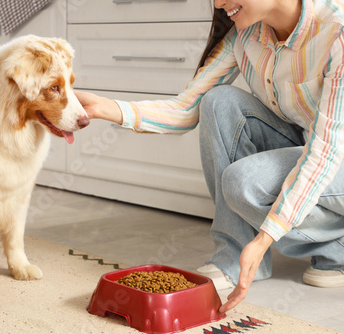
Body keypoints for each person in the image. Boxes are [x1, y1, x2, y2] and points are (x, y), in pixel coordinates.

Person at [75, 0, 344, 313]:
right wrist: (105, 107)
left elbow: (325, 151)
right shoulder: (246, 36)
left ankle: (336, 244)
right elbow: (186, 109)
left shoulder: (336, 31)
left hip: (333, 155)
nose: (217, 3)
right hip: (306, 144)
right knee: (218, 102)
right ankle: (232, 254)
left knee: (243, 182)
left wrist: (264, 240)